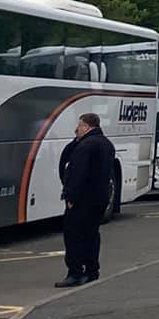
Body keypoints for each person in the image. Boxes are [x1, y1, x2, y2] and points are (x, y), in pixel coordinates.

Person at [56, 111, 118, 287]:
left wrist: (70, 197)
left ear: (86, 126)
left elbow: (77, 174)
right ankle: (92, 270)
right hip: (100, 198)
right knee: (92, 234)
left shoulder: (85, 147)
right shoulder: (106, 144)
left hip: (83, 199)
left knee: (73, 235)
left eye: (79, 126)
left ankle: (75, 272)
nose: (77, 130)